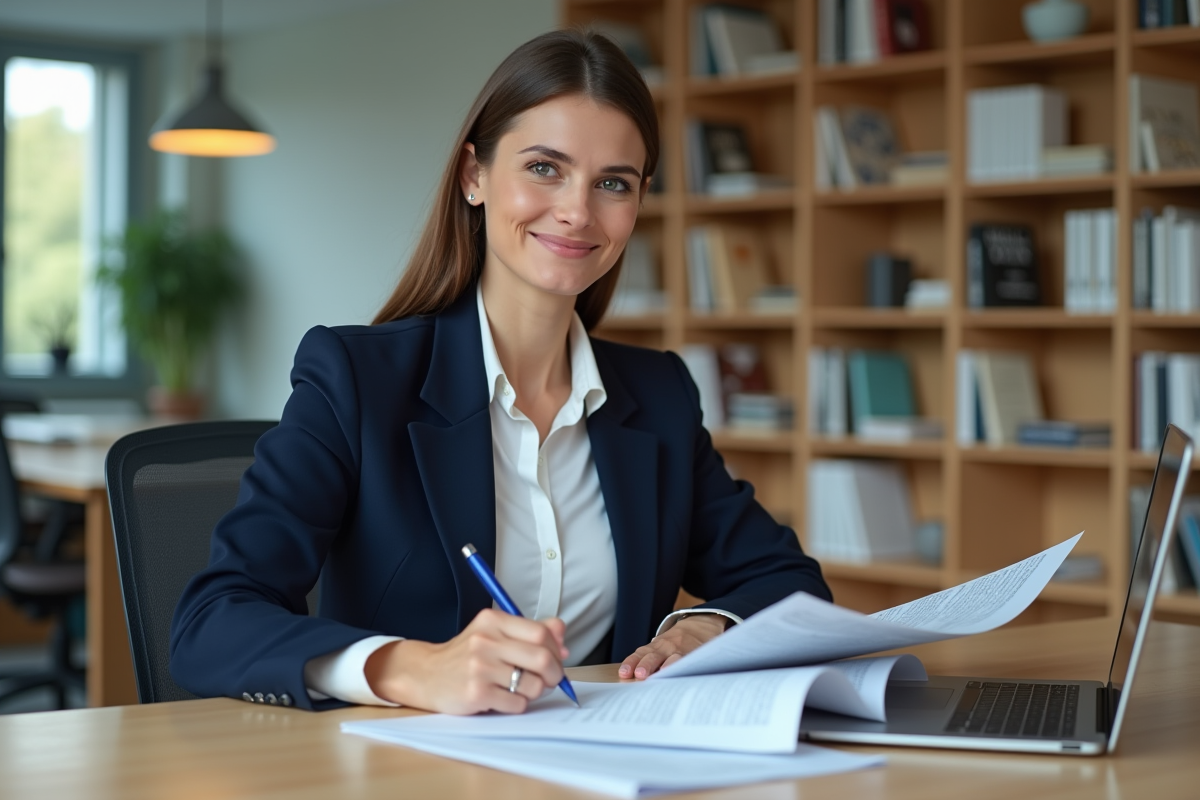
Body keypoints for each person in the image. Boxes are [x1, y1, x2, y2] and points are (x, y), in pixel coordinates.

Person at [170, 28, 830, 715]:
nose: (578, 210)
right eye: (545, 168)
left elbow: (791, 585)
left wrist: (706, 626)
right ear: (474, 176)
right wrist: (408, 668)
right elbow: (210, 622)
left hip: (608, 768)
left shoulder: (658, 394)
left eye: (613, 183)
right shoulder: (357, 380)